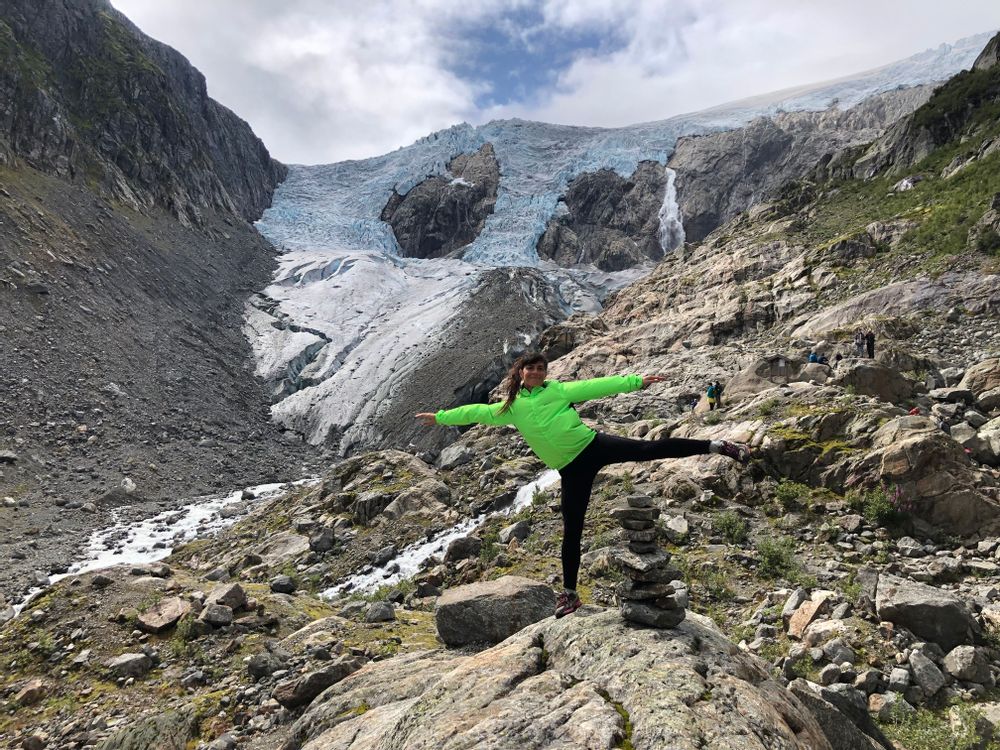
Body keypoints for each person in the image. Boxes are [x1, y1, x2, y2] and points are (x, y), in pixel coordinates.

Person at [416, 352, 751, 618]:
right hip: (570, 469)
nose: (535, 372)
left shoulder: (558, 390)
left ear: (544, 373)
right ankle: (571, 595)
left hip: (592, 446)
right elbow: (476, 412)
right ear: (520, 373)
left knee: (649, 449)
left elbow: (596, 385)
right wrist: (441, 417)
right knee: (572, 529)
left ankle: (716, 446)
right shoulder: (510, 408)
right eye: (530, 368)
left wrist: (635, 381)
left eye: (540, 369)